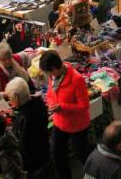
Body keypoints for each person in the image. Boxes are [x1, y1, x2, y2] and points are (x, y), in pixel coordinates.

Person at [38, 50, 91, 179]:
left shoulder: (76, 79)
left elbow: (84, 106)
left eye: (49, 72)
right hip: (60, 123)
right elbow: (50, 94)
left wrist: (62, 107)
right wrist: (51, 104)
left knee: (82, 154)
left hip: (77, 125)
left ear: (55, 68)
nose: (48, 75)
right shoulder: (53, 77)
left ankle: (95, 174)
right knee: (57, 154)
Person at [5, 77, 50, 179]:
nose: (10, 101)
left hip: (33, 163)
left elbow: (23, 145)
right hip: (44, 153)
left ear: (16, 97)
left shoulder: (25, 118)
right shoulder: (39, 104)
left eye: (10, 98)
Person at [0, 41, 32, 108]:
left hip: (18, 97)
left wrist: (17, 67)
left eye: (9, 57)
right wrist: (9, 94)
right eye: (4, 59)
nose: (8, 61)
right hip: (3, 101)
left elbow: (26, 80)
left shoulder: (16, 59)